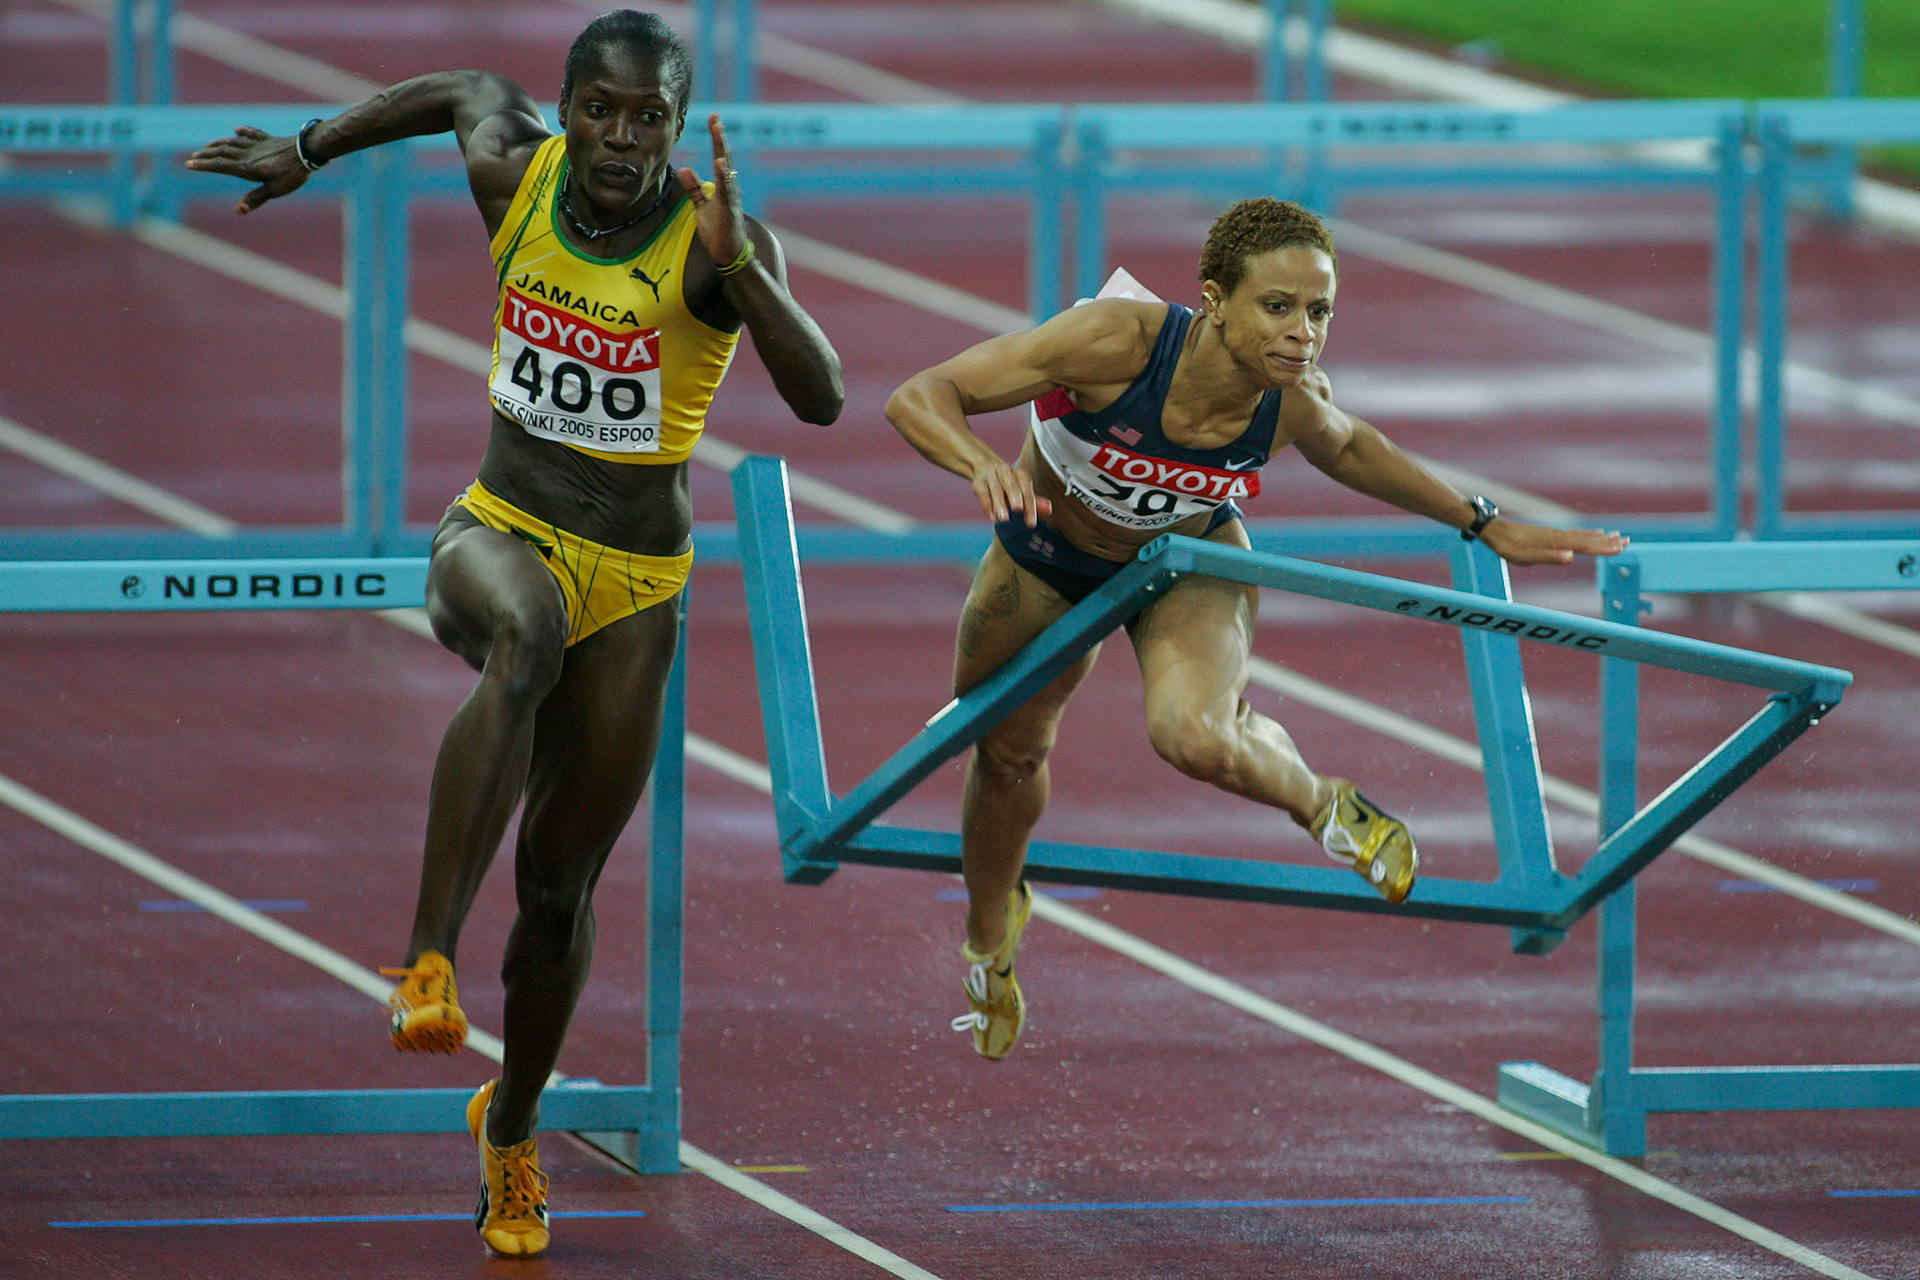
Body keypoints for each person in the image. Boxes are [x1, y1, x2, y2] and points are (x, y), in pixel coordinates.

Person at [187, 10, 842, 1257]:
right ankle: (425, 959)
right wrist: (311, 147)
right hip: (493, 532)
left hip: (639, 581)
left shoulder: (714, 240)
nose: (621, 137)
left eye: (651, 118)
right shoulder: (518, 162)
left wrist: (745, 270)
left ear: (678, 128)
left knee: (559, 889)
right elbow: (457, 86)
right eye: (601, 107)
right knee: (525, 635)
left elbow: (823, 398)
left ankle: (512, 1125)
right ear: (568, 104)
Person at [883, 198, 1623, 1063]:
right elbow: (919, 396)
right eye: (1278, 307)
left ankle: (1324, 807)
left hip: (1187, 565)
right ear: (1214, 300)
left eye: (1319, 312)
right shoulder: (1114, 342)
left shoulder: (1292, 401)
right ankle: (990, 940)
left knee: (1193, 737)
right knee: (1006, 753)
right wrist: (980, 464)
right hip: (1045, 554)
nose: (1302, 333)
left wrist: (1484, 522)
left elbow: (1351, 449)